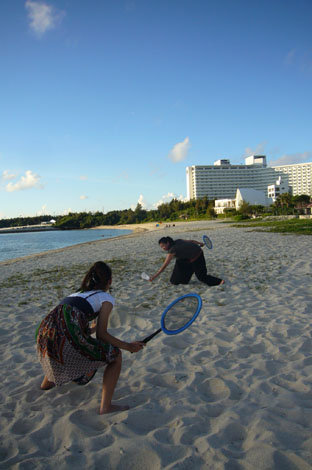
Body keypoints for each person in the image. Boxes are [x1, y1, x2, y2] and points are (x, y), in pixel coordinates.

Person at [36, 261, 145, 414]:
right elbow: (102, 334)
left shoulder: (77, 293)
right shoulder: (106, 298)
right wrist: (128, 346)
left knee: (59, 345)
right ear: (110, 281)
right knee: (115, 355)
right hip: (65, 332)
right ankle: (106, 407)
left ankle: (46, 385)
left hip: (44, 332)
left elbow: (73, 325)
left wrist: (91, 328)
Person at [149, 236, 224, 286]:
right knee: (179, 262)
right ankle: (181, 280)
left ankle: (219, 281)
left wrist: (154, 276)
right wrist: (199, 243)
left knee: (201, 277)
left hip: (197, 257)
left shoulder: (172, 250)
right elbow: (191, 241)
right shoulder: (177, 241)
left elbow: (164, 266)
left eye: (163, 246)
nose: (163, 248)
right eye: (161, 247)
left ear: (168, 243)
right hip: (191, 256)